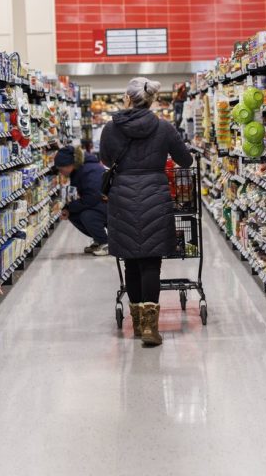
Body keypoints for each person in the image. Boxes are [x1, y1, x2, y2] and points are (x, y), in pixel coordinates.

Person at [100, 77, 193, 347]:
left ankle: (138, 324)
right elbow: (184, 160)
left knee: (131, 260)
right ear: (151, 100)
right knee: (151, 261)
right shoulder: (164, 128)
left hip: (123, 197)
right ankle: (152, 328)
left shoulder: (110, 128)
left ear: (127, 98)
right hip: (155, 195)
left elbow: (105, 160)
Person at [55, 145, 109, 256]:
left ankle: (106, 243)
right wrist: (68, 209)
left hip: (111, 206)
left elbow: (92, 198)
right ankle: (98, 240)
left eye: (61, 169)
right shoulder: (78, 170)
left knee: (87, 215)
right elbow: (77, 195)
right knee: (74, 214)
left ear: (70, 164)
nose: (61, 173)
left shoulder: (90, 170)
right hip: (100, 204)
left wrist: (71, 207)